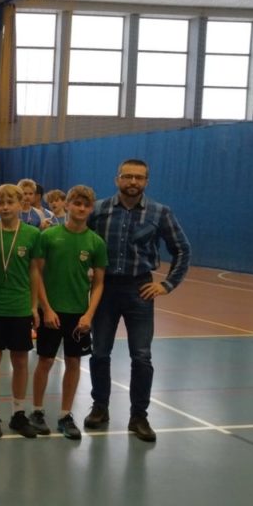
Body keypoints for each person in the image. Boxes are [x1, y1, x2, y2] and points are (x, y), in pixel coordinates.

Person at [86, 159, 191, 442]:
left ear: (146, 181)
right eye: (128, 176)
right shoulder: (99, 210)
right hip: (105, 290)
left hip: (139, 290)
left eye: (139, 178)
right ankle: (100, 407)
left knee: (141, 356)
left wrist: (167, 284)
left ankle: (139, 416)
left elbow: (182, 249)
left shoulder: (160, 212)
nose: (133, 182)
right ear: (117, 179)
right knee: (99, 352)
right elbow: (81, 242)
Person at [30, 185, 108, 440]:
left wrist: (88, 315)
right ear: (67, 205)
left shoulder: (95, 242)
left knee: (74, 362)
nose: (81, 208)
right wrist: (46, 308)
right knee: (45, 361)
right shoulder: (48, 236)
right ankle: (37, 411)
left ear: (91, 208)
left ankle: (65, 415)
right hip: (51, 312)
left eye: (86, 205)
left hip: (78, 314)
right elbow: (37, 273)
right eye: (77, 203)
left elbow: (99, 284)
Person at [0, 183, 41, 439]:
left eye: (10, 202)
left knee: (20, 360)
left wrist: (34, 306)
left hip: (19, 306)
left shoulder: (32, 234)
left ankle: (18, 413)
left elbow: (34, 271)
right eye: (1, 203)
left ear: (20, 204)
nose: (5, 207)